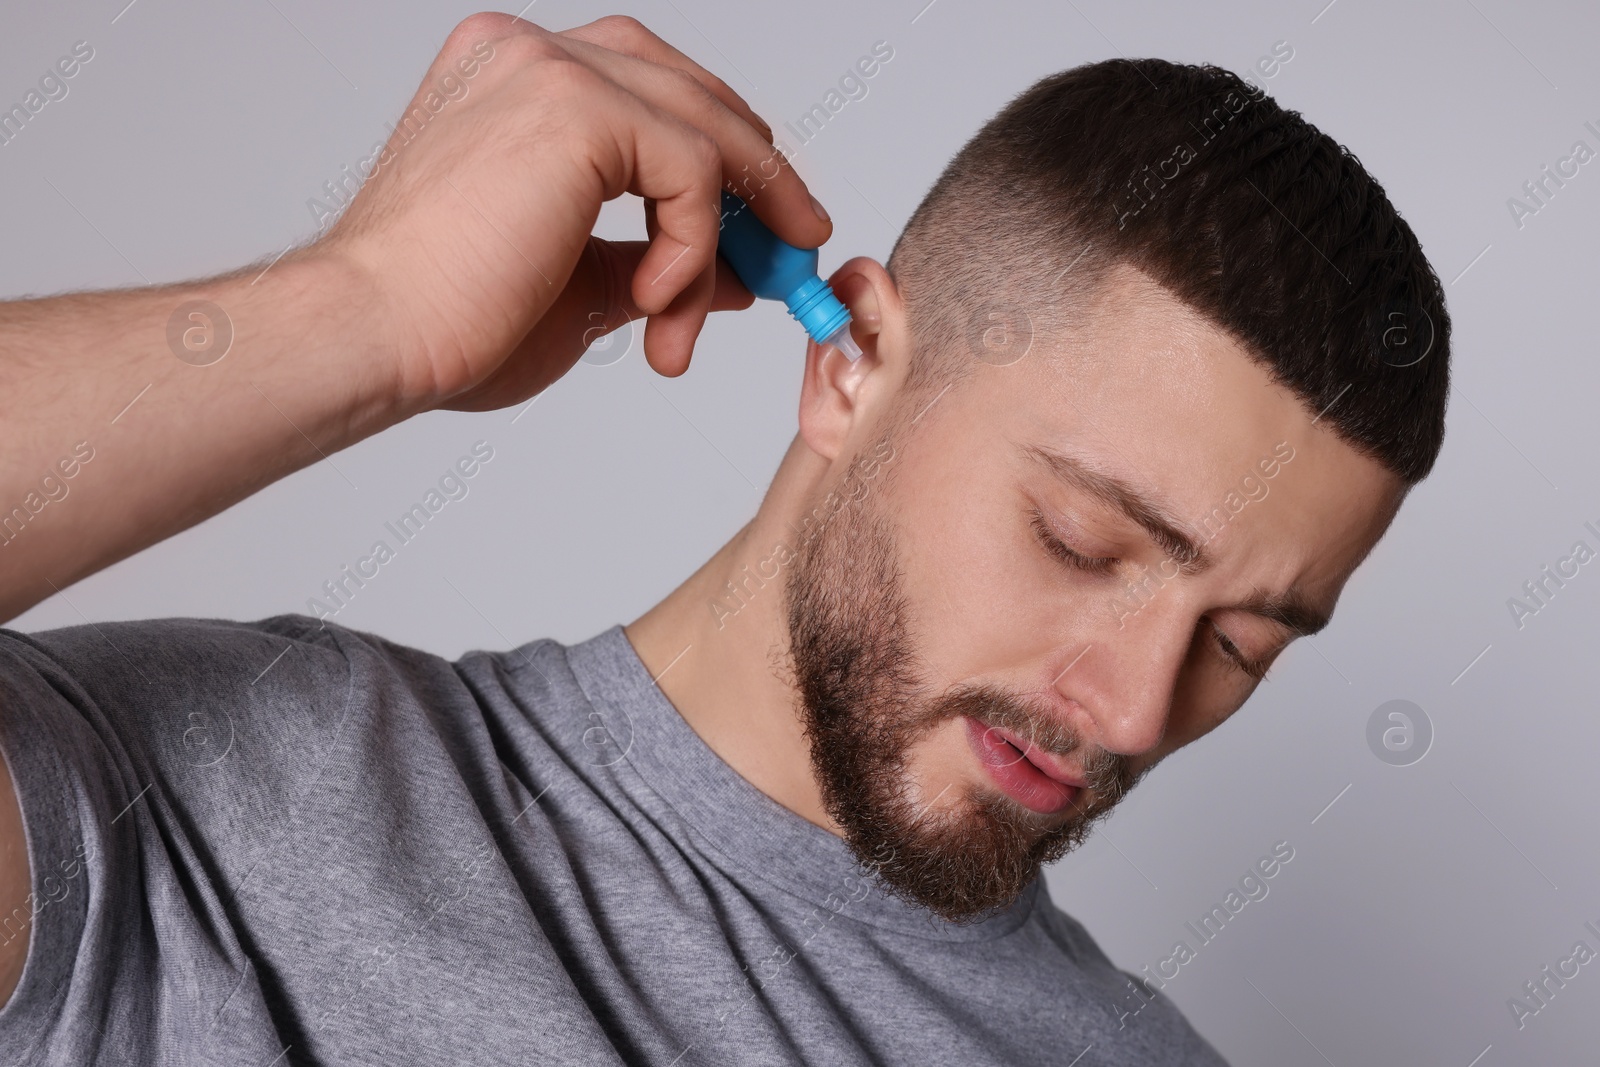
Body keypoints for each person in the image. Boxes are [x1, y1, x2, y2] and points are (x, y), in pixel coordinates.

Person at [0, 11, 1449, 1066]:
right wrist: (367, 310)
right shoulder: (210, 798)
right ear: (851, 366)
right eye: (1078, 542)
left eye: (1242, 645)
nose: (1132, 710)